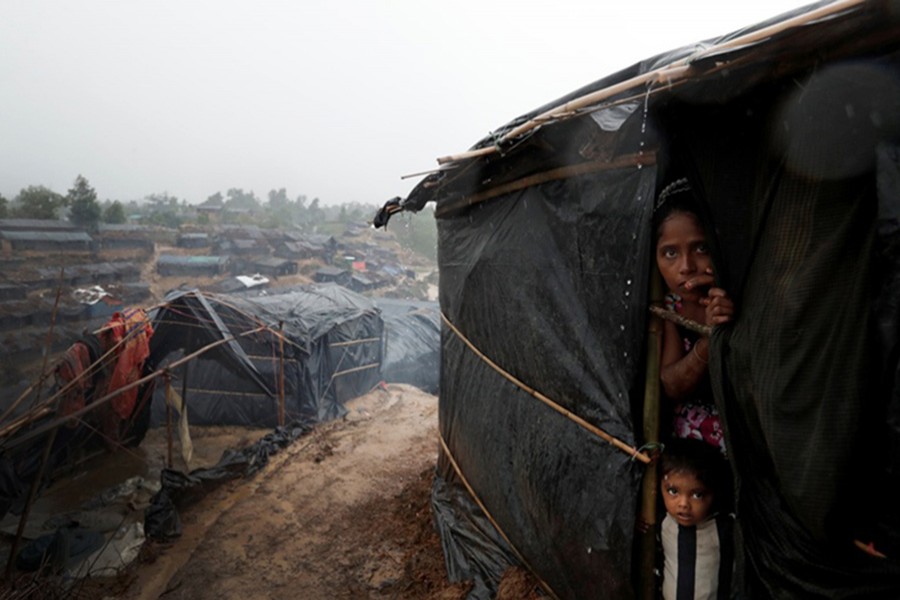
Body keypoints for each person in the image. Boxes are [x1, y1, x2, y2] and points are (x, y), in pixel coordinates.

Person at [654, 178, 734, 454]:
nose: (686, 267)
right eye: (670, 253)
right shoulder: (669, 308)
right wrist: (707, 341)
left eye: (701, 249)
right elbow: (672, 385)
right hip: (693, 451)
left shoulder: (738, 292)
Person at [659, 438, 734, 600]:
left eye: (697, 495)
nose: (683, 504)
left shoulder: (726, 526)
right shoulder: (662, 522)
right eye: (673, 491)